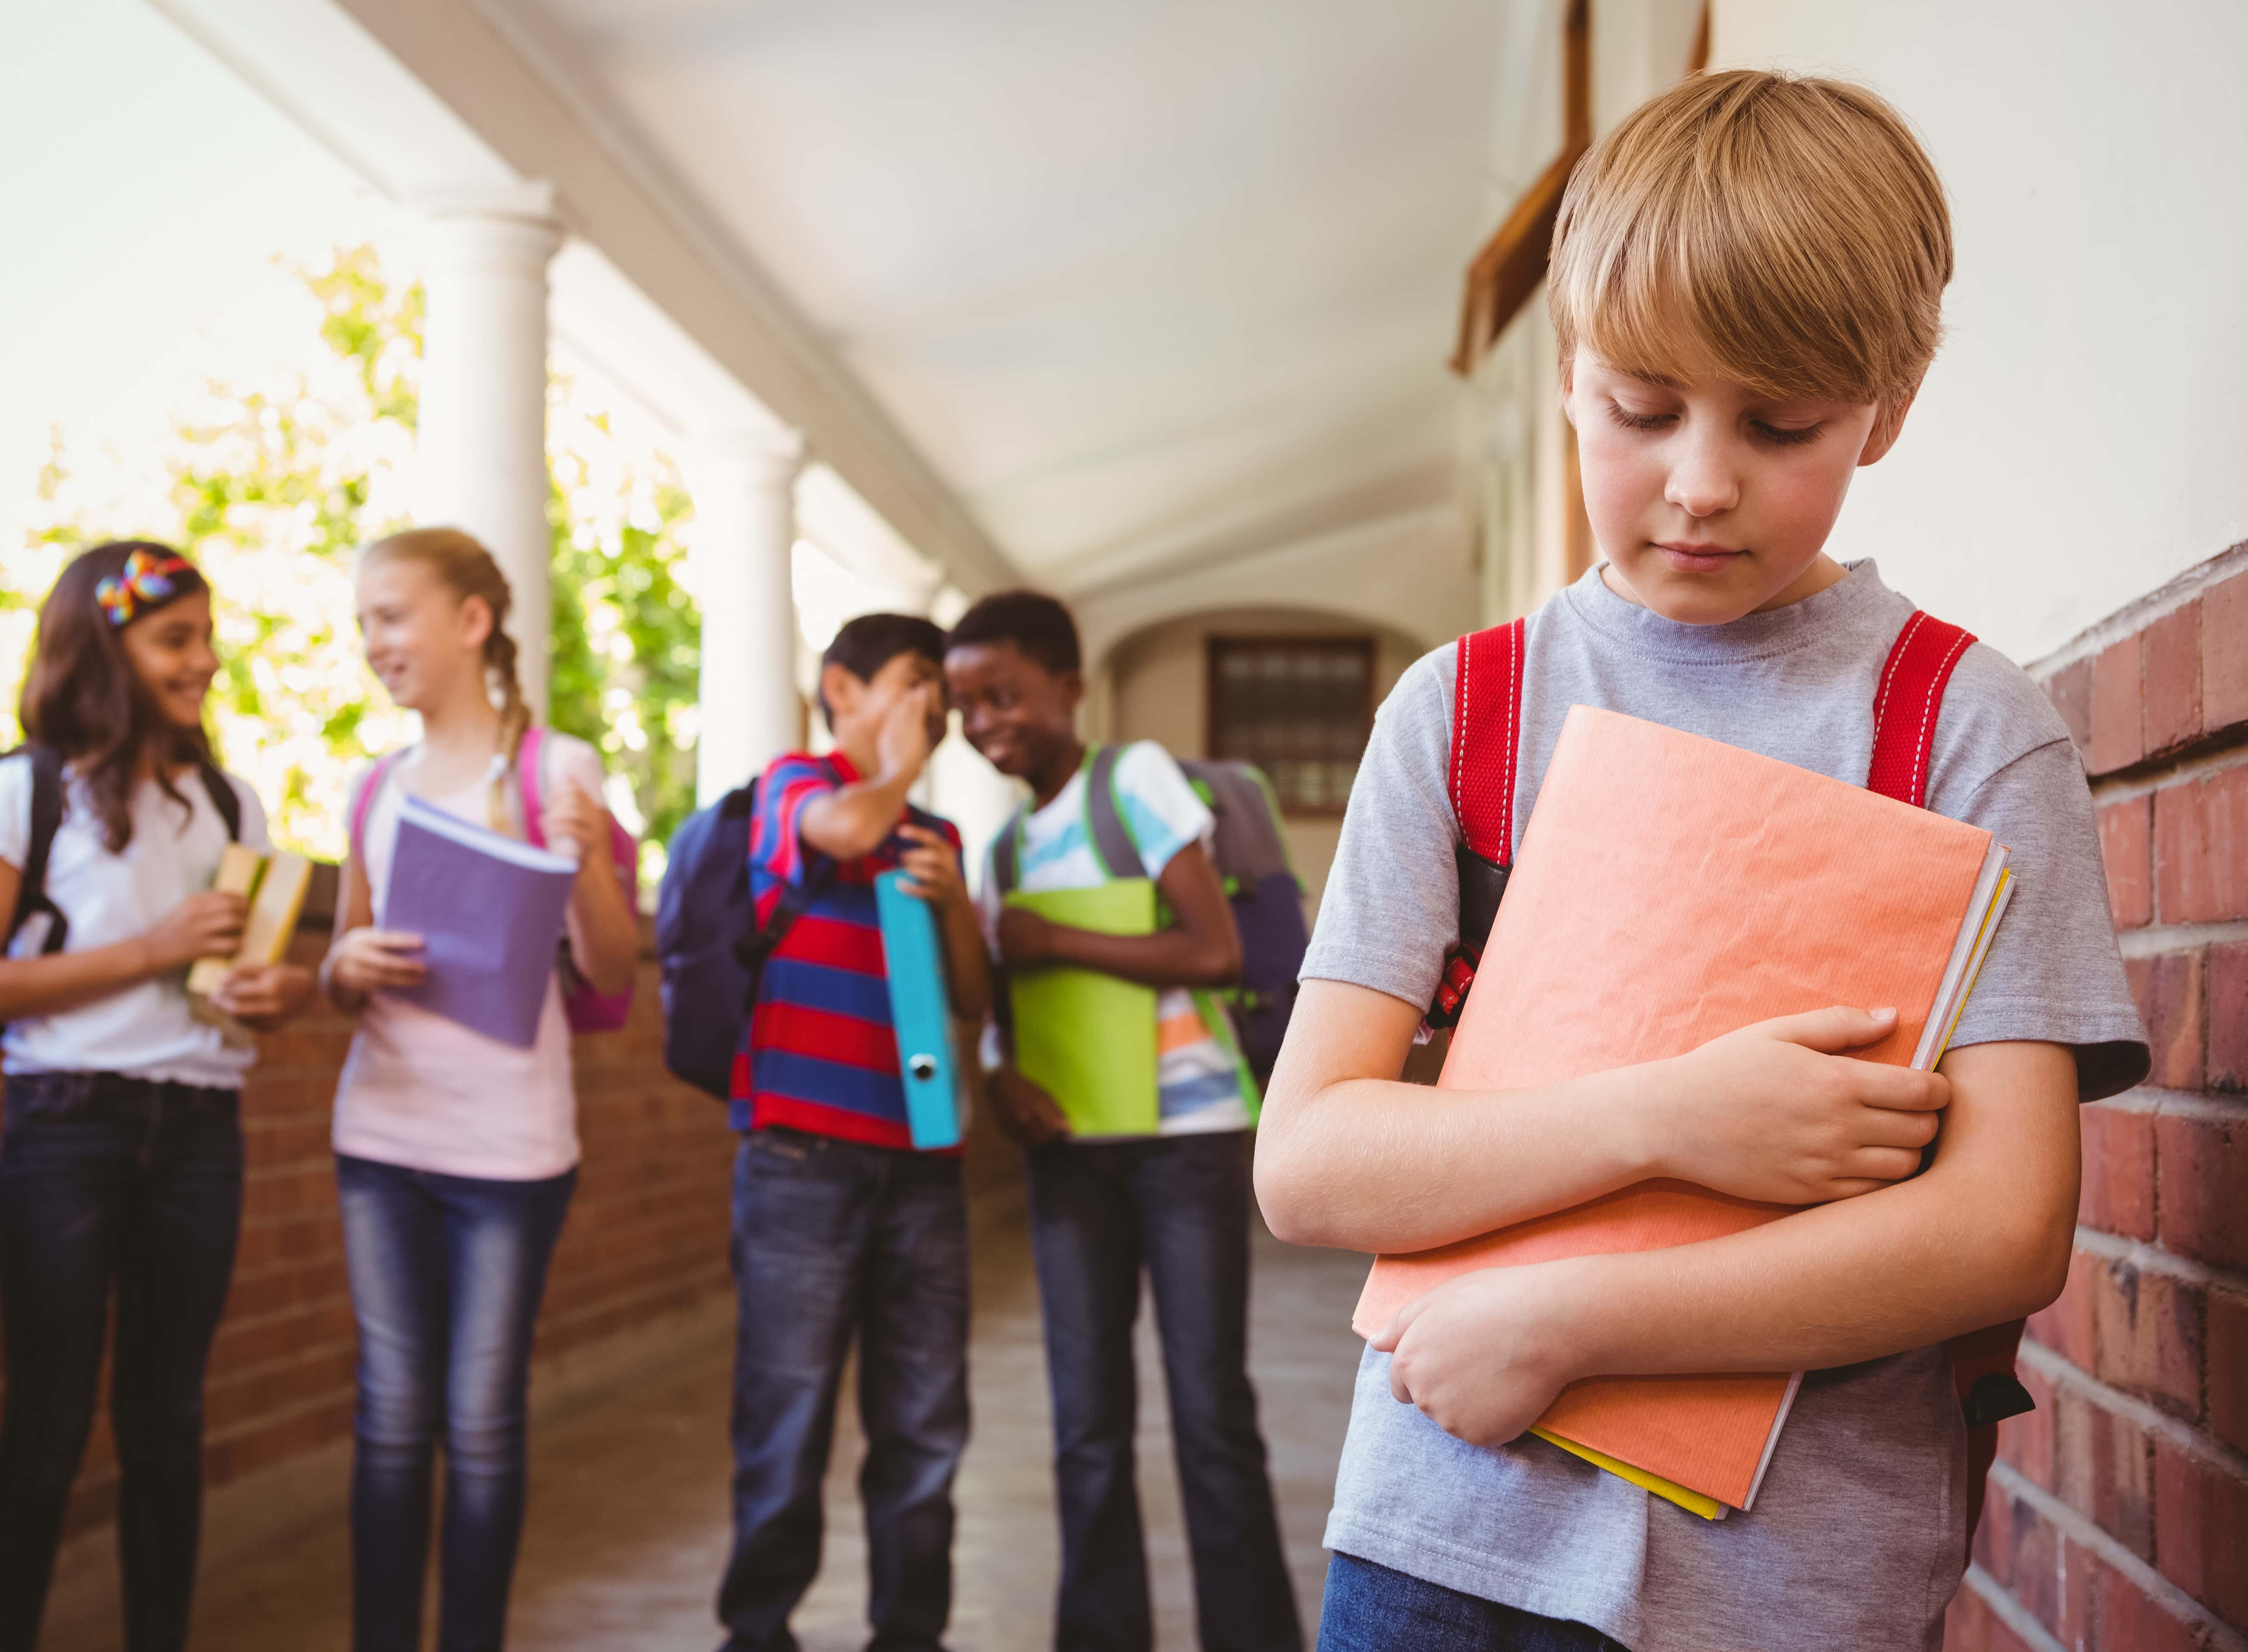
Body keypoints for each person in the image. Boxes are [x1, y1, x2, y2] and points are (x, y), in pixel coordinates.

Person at [1253, 71, 2149, 1652]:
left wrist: (1567, 1317)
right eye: (1643, 407)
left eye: (1781, 422)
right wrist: (1672, 1120)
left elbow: (2004, 1224)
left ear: (1892, 401)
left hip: (1793, 1583)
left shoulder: (1965, 729)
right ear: (1568, 380)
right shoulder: (1462, 712)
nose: (1701, 481)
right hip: (1444, 1534)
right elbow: (1310, 1160)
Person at [0, 541, 316, 1652]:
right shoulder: (22, 792)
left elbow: (247, 985)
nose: (204, 660)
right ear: (106, 647)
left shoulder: (232, 804)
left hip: (200, 1125)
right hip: (66, 1126)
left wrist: (275, 989)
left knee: (167, 1423)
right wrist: (154, 948)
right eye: (174, 640)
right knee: (46, 1426)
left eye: (205, 636)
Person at [943, 589, 1302, 1652]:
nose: (985, 721)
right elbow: (1012, 1017)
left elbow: (1212, 951)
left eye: (1004, 694)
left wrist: (1062, 943)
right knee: (1084, 1424)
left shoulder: (1132, 781)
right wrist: (1003, 1078)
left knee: (1208, 1413)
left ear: (1068, 686)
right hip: (1071, 1155)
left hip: (1184, 1147)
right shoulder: (1001, 853)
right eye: (965, 705)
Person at [319, 527, 641, 1652]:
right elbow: (339, 959)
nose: (376, 642)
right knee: (393, 1421)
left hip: (510, 1153)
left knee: (482, 1425)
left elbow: (609, 971)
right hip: (381, 1136)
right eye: (365, 622)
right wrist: (340, 967)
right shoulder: (377, 787)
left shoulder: (560, 770)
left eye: (394, 616)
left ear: (471, 621)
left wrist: (588, 858)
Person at [716, 613, 992, 1652]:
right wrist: (902, 761)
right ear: (844, 691)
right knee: (784, 1417)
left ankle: (909, 1634)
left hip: (923, 1166)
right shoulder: (799, 786)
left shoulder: (938, 837)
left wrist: (956, 905)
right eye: (916, 684)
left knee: (924, 1424)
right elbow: (838, 834)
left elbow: (973, 998)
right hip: (801, 1158)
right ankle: (758, 1631)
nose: (937, 709)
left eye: (940, 693)